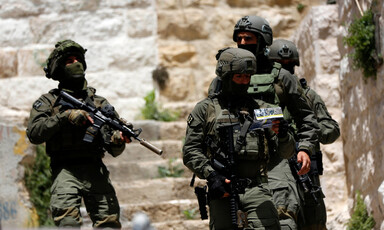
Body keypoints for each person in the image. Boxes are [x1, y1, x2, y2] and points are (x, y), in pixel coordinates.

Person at [208, 15, 320, 229]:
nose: (242, 43)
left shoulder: (282, 77)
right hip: (236, 159)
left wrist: (304, 147)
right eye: (238, 38)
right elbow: (211, 120)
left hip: (276, 157)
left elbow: (306, 116)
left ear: (262, 40)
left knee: (284, 218)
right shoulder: (222, 80)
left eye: (248, 38)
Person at [183, 47, 297, 229]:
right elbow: (190, 151)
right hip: (223, 189)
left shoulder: (263, 110)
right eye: (239, 77)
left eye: (247, 77)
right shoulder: (205, 110)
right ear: (227, 77)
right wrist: (211, 176)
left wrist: (283, 134)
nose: (244, 82)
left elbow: (287, 152)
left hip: (257, 188)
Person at [26, 40, 131, 228]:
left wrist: (118, 140)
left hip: (95, 168)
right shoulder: (49, 102)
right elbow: (34, 133)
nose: (76, 64)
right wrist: (65, 117)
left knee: (109, 223)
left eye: (78, 59)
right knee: (68, 224)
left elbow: (114, 149)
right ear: (59, 68)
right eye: (69, 61)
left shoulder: (99, 104)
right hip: (65, 169)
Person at [268, 39, 340, 230]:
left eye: (289, 66)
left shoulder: (308, 96)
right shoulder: (265, 100)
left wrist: (310, 131)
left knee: (314, 222)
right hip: (278, 172)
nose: (285, 71)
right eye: (280, 66)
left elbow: (331, 130)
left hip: (306, 173)